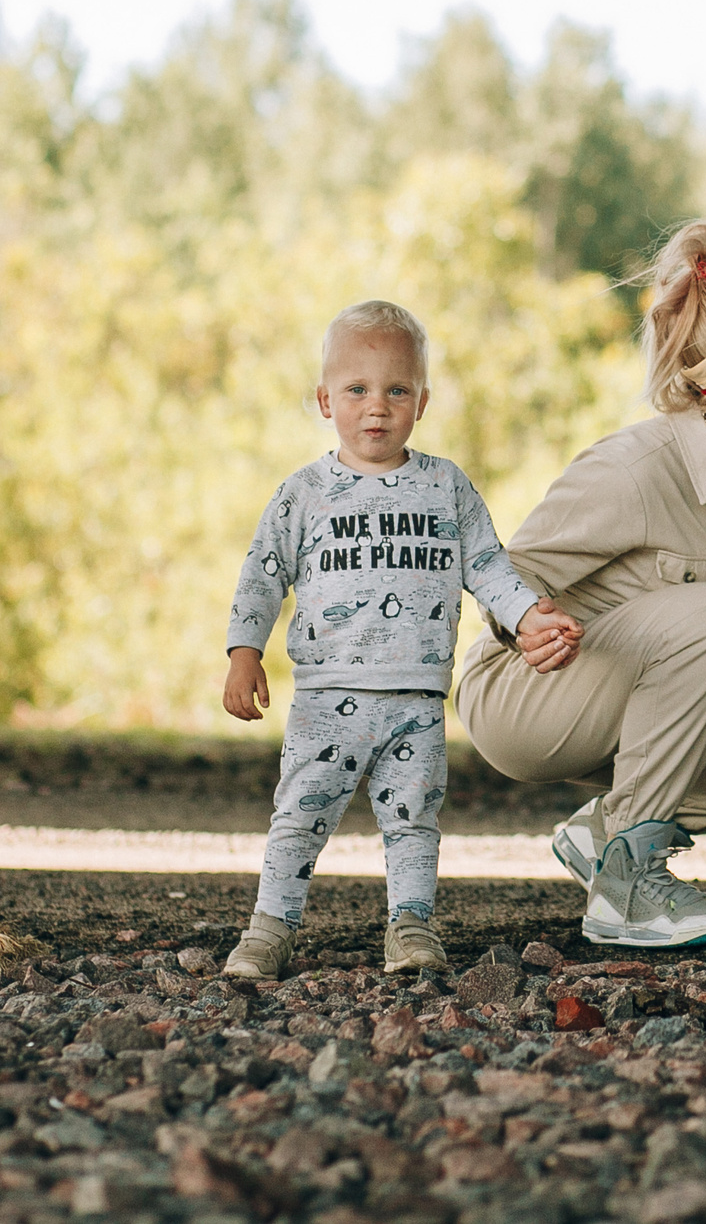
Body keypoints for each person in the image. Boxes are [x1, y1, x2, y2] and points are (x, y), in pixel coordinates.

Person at [454, 223, 706, 947]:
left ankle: (608, 833)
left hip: (651, 683)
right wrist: (527, 620)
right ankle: (627, 892)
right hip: (527, 695)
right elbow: (504, 570)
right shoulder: (635, 469)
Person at [218, 300, 583, 980]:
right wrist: (245, 650)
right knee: (298, 815)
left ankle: (411, 924)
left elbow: (488, 567)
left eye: (396, 390)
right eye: (356, 389)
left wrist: (529, 616)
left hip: (415, 695)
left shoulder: (445, 487)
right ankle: (269, 927)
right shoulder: (306, 493)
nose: (376, 407)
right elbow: (262, 573)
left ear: (422, 400)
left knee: (413, 820)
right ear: (325, 399)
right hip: (328, 694)